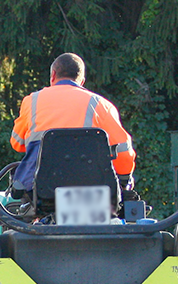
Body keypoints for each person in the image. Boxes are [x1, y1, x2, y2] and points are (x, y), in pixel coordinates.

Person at [10, 53, 137, 195]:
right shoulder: (101, 105)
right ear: (81, 81)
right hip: (91, 190)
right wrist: (125, 179)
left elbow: (17, 143)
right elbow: (123, 153)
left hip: (41, 189)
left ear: (53, 75)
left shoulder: (32, 101)